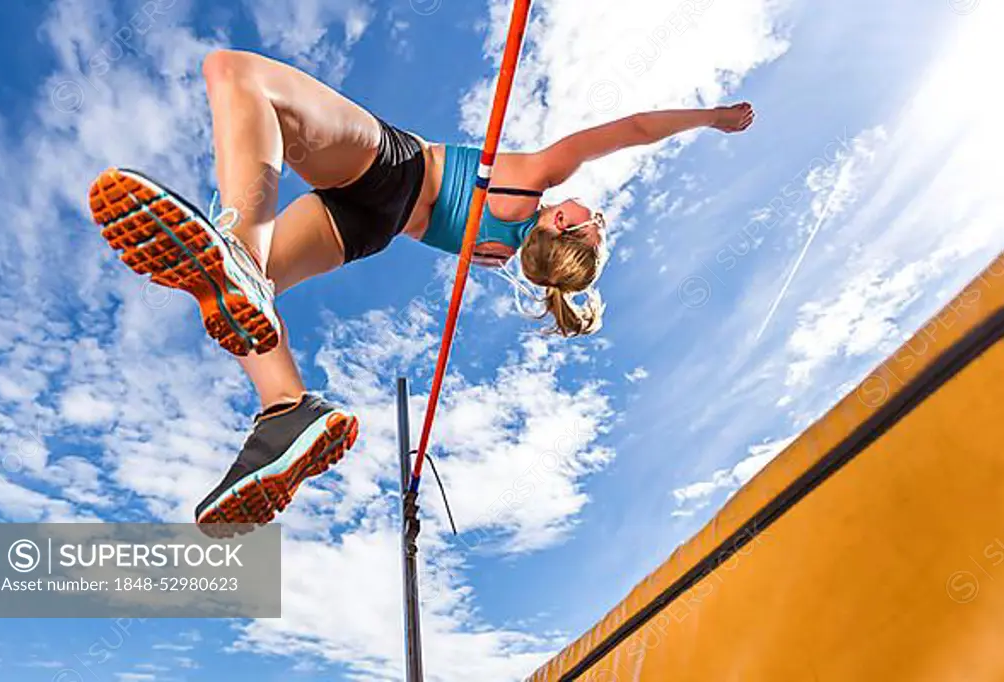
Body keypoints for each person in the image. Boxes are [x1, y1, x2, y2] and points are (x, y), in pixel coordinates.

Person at [88, 50, 755, 533]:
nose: (597, 215)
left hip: (392, 169)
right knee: (238, 289)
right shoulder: (493, 249)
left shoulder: (530, 183)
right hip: (366, 225)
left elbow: (632, 129)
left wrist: (710, 116)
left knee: (235, 73)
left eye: (595, 227)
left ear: (563, 225)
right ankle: (285, 406)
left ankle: (236, 244)